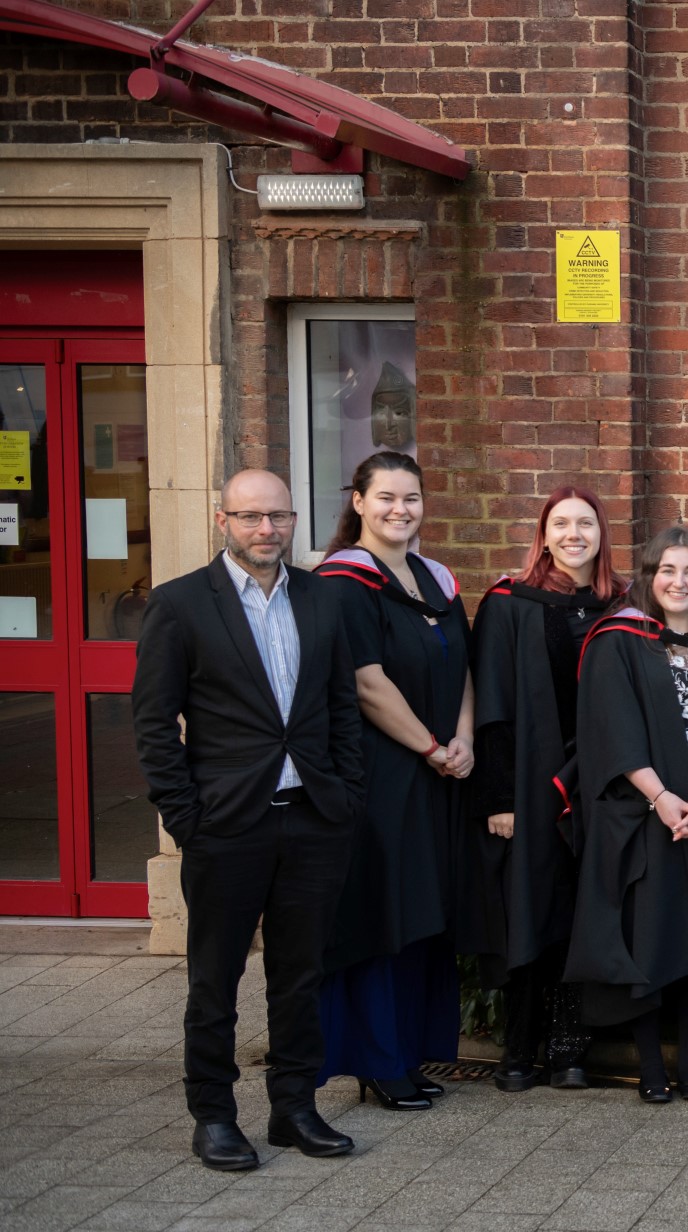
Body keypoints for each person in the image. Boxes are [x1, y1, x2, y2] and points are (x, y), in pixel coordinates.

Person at [132, 470, 366, 1171]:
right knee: (215, 979)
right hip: (226, 826)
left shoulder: (322, 597)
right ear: (221, 519)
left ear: (294, 520)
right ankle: (214, 1115)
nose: (266, 529)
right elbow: (151, 724)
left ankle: (294, 1108)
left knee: (300, 975)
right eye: (250, 516)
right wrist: (186, 817)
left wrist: (345, 795)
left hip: (312, 818)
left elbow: (342, 707)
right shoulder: (178, 605)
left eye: (278, 516)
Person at [566, 526, 688, 1102]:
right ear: (648, 578)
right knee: (647, 939)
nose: (679, 581)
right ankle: (649, 1066)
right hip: (643, 818)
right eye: (667, 570)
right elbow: (609, 729)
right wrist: (662, 798)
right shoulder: (618, 639)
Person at [315, 452, 472, 1112]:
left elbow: (465, 667)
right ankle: (376, 1061)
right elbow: (366, 684)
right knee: (382, 915)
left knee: (424, 914)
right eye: (385, 498)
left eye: (410, 498)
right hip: (380, 776)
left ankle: (408, 1051)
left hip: (439, 773)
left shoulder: (435, 578)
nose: (399, 510)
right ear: (357, 502)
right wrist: (433, 746)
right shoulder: (343, 582)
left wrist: (463, 738)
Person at [468, 487, 626, 1092]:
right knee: (527, 913)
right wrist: (500, 799)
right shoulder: (510, 603)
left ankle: (568, 1048)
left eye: (585, 522)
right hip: (531, 786)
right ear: (544, 532)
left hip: (599, 784)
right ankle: (517, 1049)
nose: (573, 533)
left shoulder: (621, 606)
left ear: (600, 533)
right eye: (560, 523)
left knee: (580, 915)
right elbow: (493, 708)